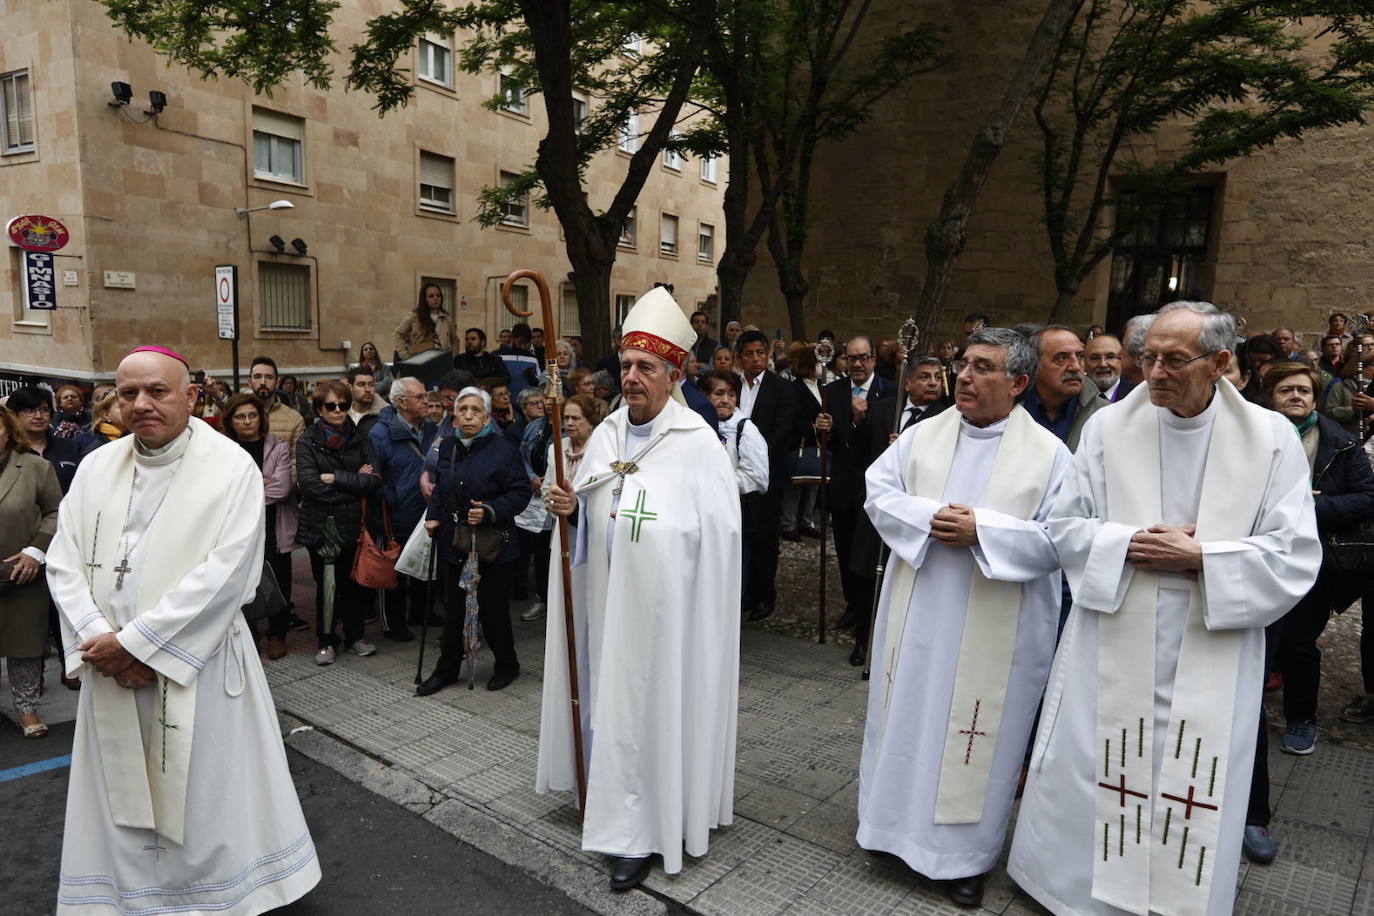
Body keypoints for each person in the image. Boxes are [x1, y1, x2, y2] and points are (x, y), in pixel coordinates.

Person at [1008, 302, 1322, 916]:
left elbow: (1293, 554)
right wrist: (1128, 543)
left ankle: (1177, 899)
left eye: (1174, 360)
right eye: (1146, 357)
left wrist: (1203, 556)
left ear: (1220, 362)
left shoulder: (1270, 439)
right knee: (1095, 767)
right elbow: (1064, 527)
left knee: (1191, 781)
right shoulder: (1107, 429)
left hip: (1212, 635)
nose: (1153, 373)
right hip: (1115, 626)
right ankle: (1077, 894)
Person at [47, 345, 320, 913]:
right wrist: (102, 638)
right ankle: (130, 897)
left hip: (199, 665)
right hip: (111, 664)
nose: (141, 404)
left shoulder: (230, 467)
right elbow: (63, 559)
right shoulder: (98, 465)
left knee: (205, 792)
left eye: (158, 391)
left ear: (191, 397)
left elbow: (229, 573)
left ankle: (217, 896)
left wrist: (138, 645)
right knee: (121, 797)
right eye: (129, 393)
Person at [538, 287, 741, 890]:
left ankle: (644, 831)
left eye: (645, 367)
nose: (631, 377)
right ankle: (608, 806)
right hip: (609, 609)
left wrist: (650, 537)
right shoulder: (603, 437)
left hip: (665, 619)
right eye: (625, 365)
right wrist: (571, 509)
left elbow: (720, 541)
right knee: (610, 707)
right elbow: (590, 512)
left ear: (674, 374)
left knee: (652, 712)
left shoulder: (698, 445)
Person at [860, 327, 1069, 907]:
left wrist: (985, 530)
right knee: (908, 716)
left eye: (983, 367)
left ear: (1020, 383)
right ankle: (890, 830)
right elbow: (878, 492)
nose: (965, 377)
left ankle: (964, 859)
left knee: (978, 738)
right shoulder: (922, 437)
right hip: (919, 611)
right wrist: (931, 519)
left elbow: (1063, 540)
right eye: (964, 364)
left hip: (998, 628)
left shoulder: (1051, 455)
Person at [416, 387, 529, 694]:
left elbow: (520, 493)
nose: (467, 415)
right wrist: (434, 515)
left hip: (494, 546)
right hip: (455, 542)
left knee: (493, 612)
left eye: (475, 410)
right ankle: (447, 669)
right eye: (462, 409)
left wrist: (490, 511)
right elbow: (440, 487)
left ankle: (507, 664)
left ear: (487, 416)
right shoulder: (449, 445)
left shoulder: (504, 448)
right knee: (453, 611)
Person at [815, 335, 894, 661]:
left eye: (864, 358)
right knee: (846, 550)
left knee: (869, 558)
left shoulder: (891, 391)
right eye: (852, 358)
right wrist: (823, 428)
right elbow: (828, 440)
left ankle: (872, 612)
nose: (858, 364)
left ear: (874, 359)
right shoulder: (832, 392)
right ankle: (852, 603)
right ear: (844, 361)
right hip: (846, 483)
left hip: (879, 487)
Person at [296, 380, 382, 665]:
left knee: (355, 583)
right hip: (321, 526)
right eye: (331, 406)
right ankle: (326, 641)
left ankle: (355, 636)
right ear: (320, 409)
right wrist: (353, 482)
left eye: (343, 405)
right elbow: (309, 485)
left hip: (355, 525)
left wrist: (335, 478)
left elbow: (373, 481)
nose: (338, 410)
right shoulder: (308, 440)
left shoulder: (361, 439)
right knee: (328, 584)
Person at [220, 392, 298, 660]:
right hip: (238, 531)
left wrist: (243, 490)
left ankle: (277, 634)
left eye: (252, 415)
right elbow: (220, 493)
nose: (247, 421)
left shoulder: (278, 448)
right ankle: (249, 633)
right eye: (240, 416)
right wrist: (259, 483)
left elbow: (282, 489)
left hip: (274, 527)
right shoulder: (225, 451)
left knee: (280, 582)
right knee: (245, 583)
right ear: (231, 421)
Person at [0, 405, 62, 738]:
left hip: (21, 572)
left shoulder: (36, 467)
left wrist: (35, 552)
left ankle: (27, 709)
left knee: (24, 646)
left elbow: (55, 511)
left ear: (8, 431)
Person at [369, 377, 438, 642]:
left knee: (423, 564)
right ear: (401, 402)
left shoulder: (431, 429)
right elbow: (374, 477)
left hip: (425, 511)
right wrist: (394, 499)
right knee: (394, 573)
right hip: (395, 514)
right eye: (420, 397)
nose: (426, 402)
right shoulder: (380, 433)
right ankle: (393, 623)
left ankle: (422, 614)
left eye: (425, 396)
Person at [733, 330, 796, 621]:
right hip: (735, 473)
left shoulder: (780, 388)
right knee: (741, 533)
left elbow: (782, 431)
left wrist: (753, 455)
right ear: (740, 357)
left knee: (765, 537)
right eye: (749, 354)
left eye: (760, 353)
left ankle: (764, 595)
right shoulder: (732, 384)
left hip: (767, 472)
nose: (756, 359)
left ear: (767, 355)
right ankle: (743, 590)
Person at [700, 369, 769, 598]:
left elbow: (757, 476)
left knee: (731, 573)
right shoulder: (698, 427)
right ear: (705, 396)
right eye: (719, 394)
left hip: (733, 511)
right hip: (702, 513)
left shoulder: (744, 429)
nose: (726, 400)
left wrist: (720, 483)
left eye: (731, 394)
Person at [1024, 325, 1105, 451]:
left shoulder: (1103, 414)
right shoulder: (1008, 408)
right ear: (1034, 365)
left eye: (1080, 356)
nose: (1075, 367)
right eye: (1061, 358)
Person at [782, 345, 824, 542]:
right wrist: (813, 426)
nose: (821, 366)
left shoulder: (822, 387)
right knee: (796, 485)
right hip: (800, 441)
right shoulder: (794, 388)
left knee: (814, 483)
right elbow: (792, 418)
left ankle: (807, 521)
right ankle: (788, 523)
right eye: (817, 363)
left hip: (818, 443)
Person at [8, 387, 84, 493]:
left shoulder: (70, 447)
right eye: (30, 411)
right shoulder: (8, 450)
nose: (39, 416)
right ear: (14, 415)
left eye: (44, 410)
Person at [249, 356, 305, 480]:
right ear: (250, 382)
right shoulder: (239, 416)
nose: (263, 382)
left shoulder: (294, 419)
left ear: (277, 383)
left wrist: (279, 488)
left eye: (269, 377)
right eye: (257, 377)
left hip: (281, 494)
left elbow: (297, 462)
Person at [1323, 333, 1374, 437]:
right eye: (1366, 345)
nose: (1370, 348)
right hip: (1350, 435)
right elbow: (1329, 412)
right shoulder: (1340, 385)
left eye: (1372, 344)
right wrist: (1355, 410)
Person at [393, 281, 457, 361]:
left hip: (441, 362)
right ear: (424, 299)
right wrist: (404, 355)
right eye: (431, 296)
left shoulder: (446, 318)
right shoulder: (415, 316)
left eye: (438, 295)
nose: (435, 298)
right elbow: (398, 333)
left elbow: (454, 340)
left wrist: (452, 357)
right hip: (420, 360)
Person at [73, 390, 126, 457]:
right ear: (106, 415)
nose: (129, 410)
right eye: (122, 407)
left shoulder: (139, 439)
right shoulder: (94, 451)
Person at [1085, 333, 1134, 402]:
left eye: (1110, 357)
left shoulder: (1137, 396)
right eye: (1095, 358)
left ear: (1122, 359)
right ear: (1085, 362)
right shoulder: (1073, 395)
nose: (1103, 364)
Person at [498, 322, 542, 400]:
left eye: (526, 343)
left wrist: (531, 376)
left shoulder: (533, 358)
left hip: (526, 403)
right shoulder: (500, 355)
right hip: (504, 401)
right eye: (520, 342)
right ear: (513, 338)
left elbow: (539, 381)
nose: (523, 346)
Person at [346, 363, 385, 437]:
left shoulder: (386, 415)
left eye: (371, 385)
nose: (368, 389)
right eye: (361, 384)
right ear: (350, 387)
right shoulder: (342, 413)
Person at [690, 309, 717, 376]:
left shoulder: (715, 346)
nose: (699, 325)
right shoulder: (685, 344)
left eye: (703, 322)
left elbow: (712, 368)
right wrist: (702, 365)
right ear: (691, 325)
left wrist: (694, 369)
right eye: (696, 322)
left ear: (707, 326)